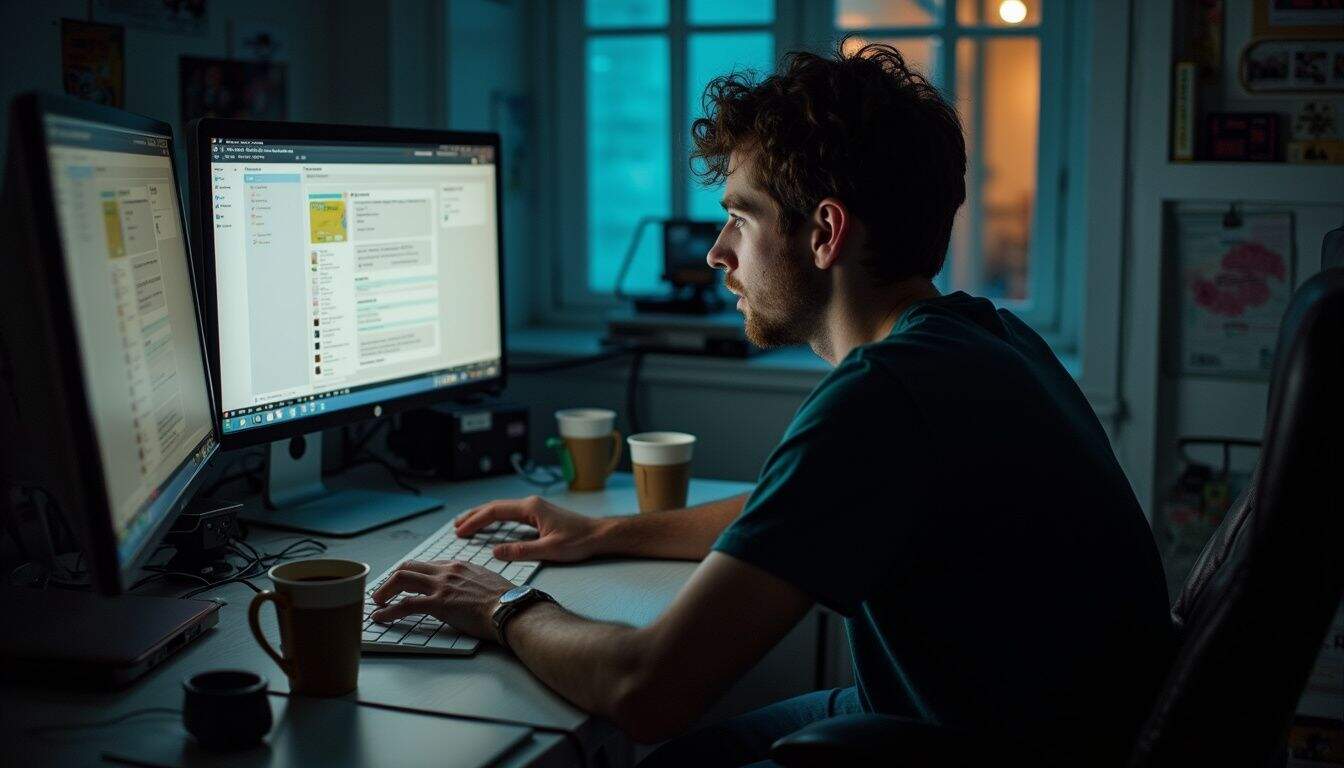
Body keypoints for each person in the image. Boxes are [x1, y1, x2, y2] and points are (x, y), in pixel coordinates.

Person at [371, 42, 1175, 767]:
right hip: (1002, 725)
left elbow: (649, 691)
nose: (718, 253)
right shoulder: (987, 336)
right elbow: (796, 512)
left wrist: (502, 607)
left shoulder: (882, 397)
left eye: (739, 217)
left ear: (825, 233)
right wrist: (607, 533)